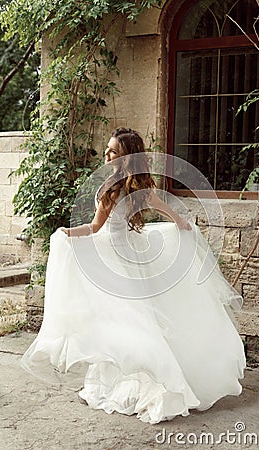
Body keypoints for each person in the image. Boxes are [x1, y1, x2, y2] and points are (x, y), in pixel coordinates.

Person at [21, 127, 246, 424]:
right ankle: (131, 381)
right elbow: (126, 218)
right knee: (131, 324)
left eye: (114, 151)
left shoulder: (118, 188)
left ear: (127, 157)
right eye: (107, 150)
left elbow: (103, 226)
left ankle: (153, 384)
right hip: (127, 259)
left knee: (133, 324)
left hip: (123, 264)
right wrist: (67, 234)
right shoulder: (126, 187)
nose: (107, 155)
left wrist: (181, 223)